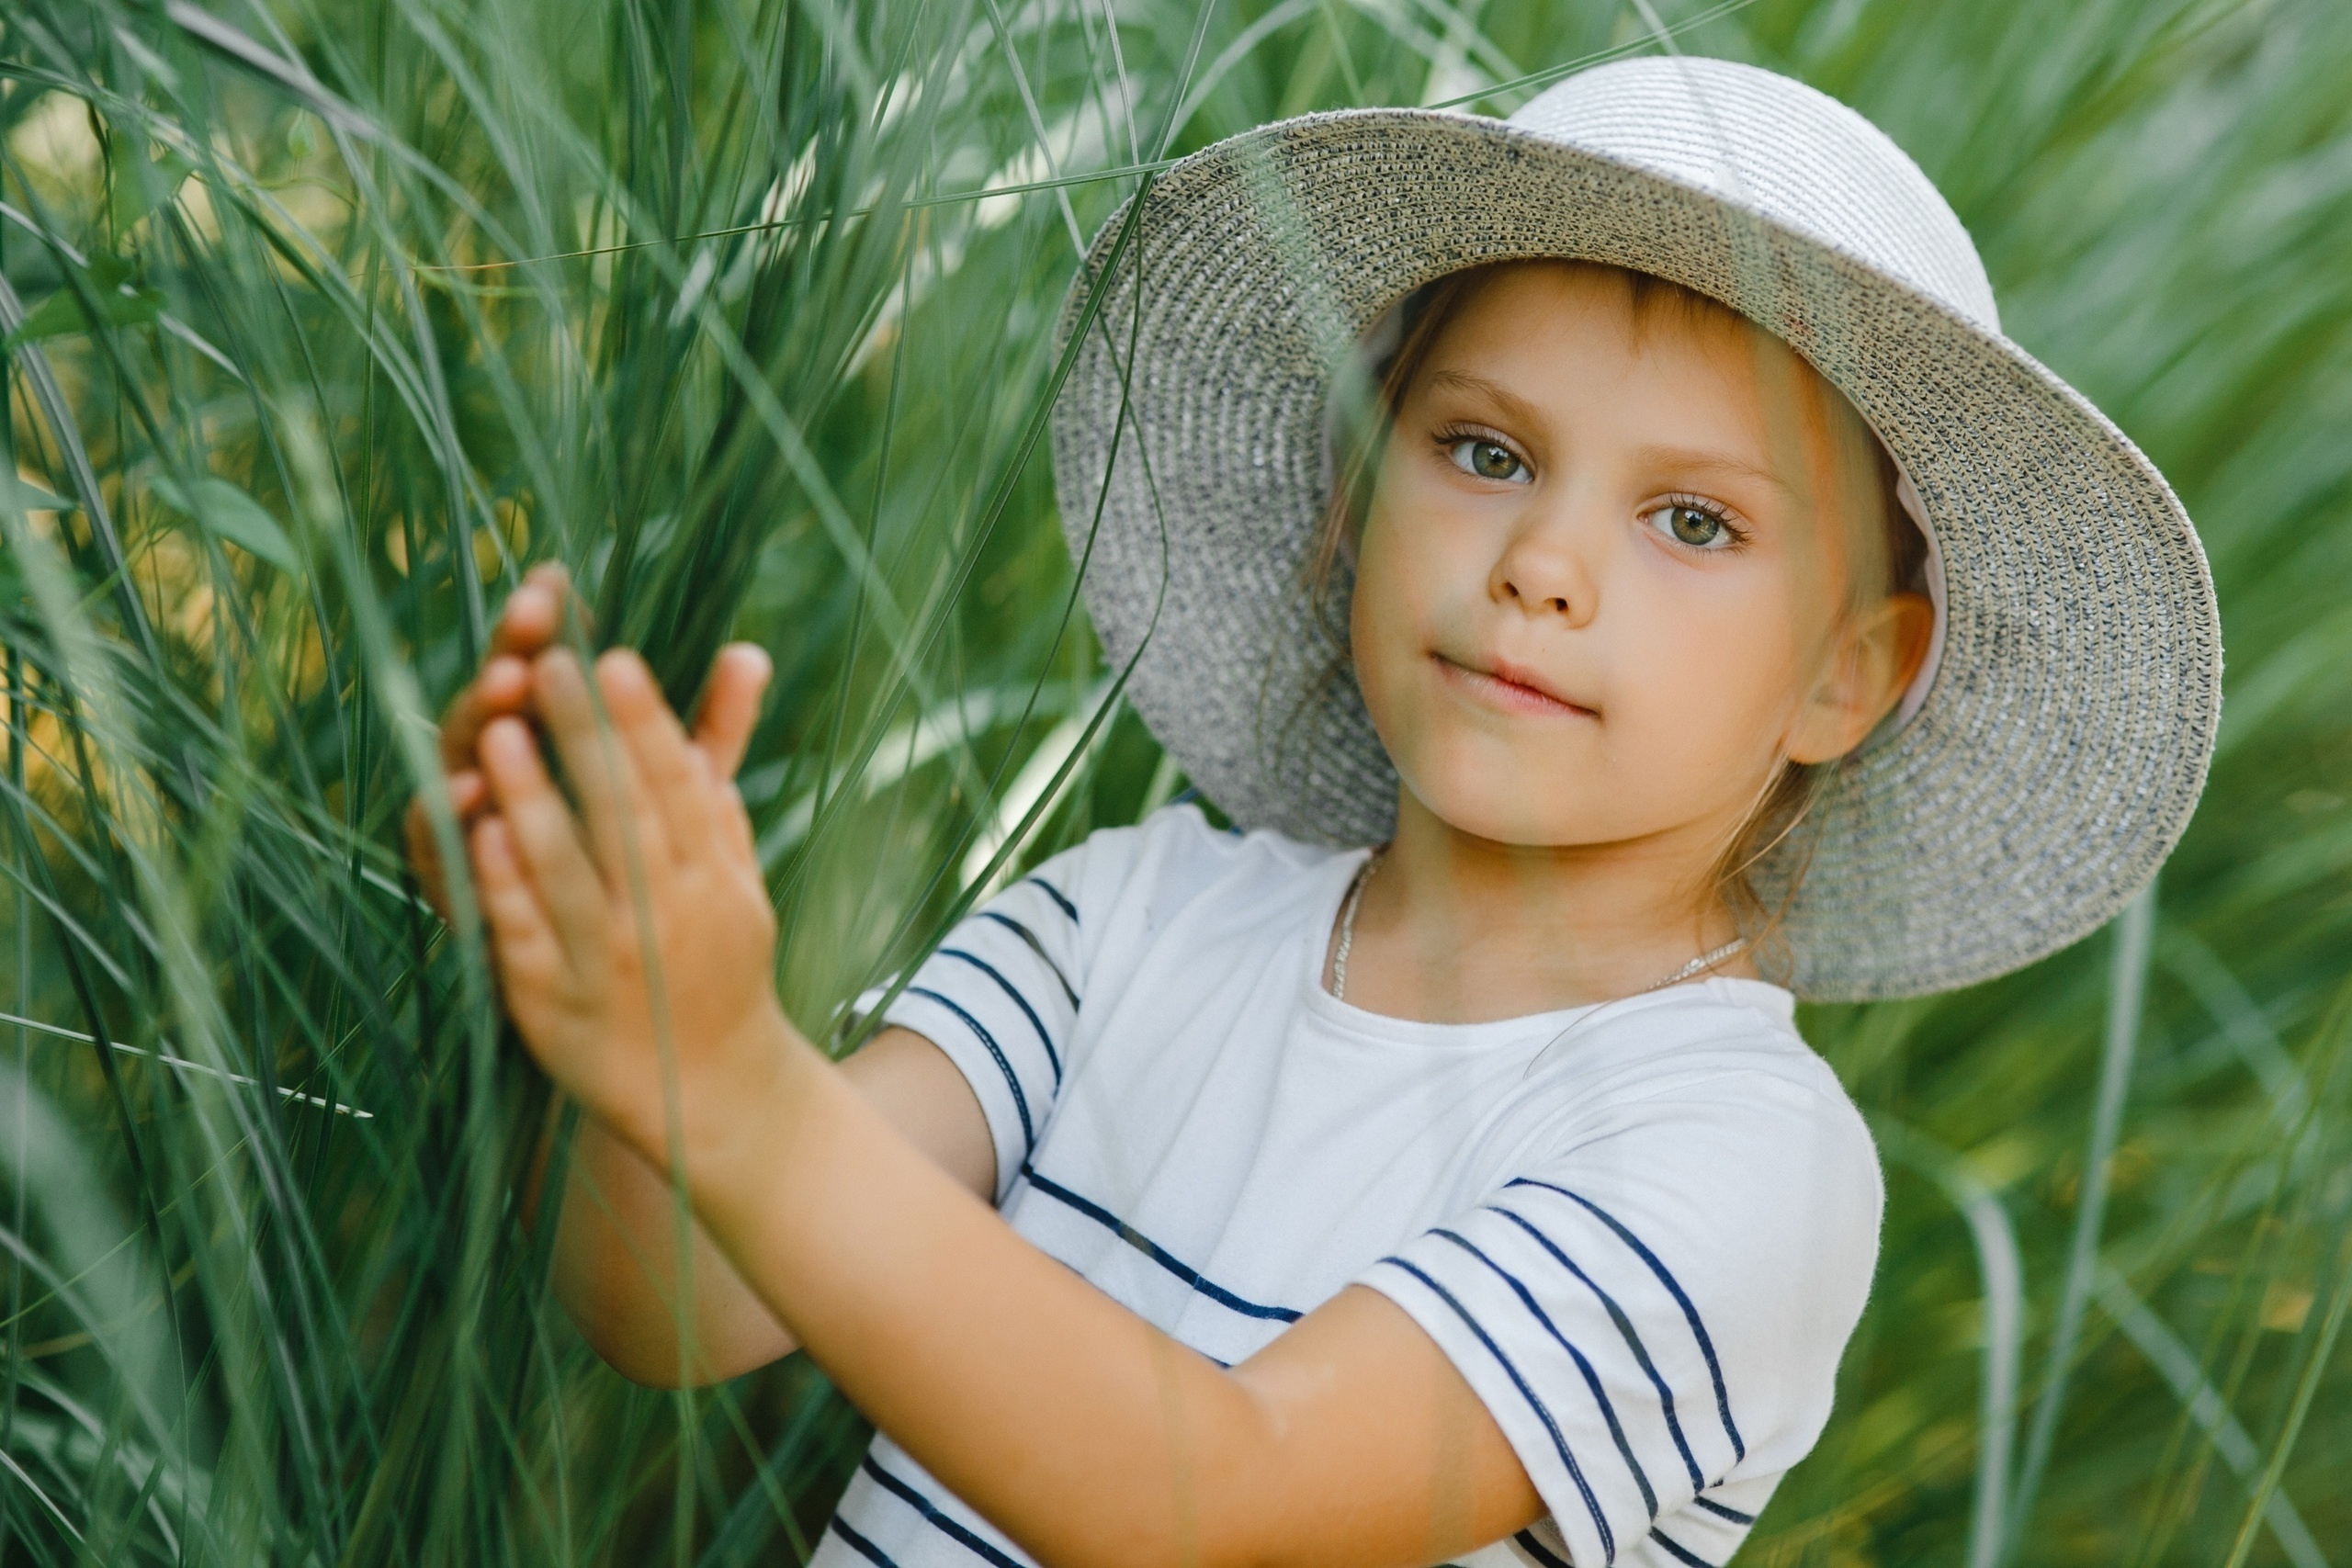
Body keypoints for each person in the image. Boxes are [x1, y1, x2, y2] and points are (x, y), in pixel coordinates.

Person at [405, 56, 2220, 1568]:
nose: (1540, 565)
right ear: (1352, 502)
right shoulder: (1120, 919)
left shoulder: (1737, 1156)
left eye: (1693, 522)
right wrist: (611, 1029)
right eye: (1484, 452)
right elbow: (672, 1307)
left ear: (1845, 674)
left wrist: (734, 1078)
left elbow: (1215, 1495)